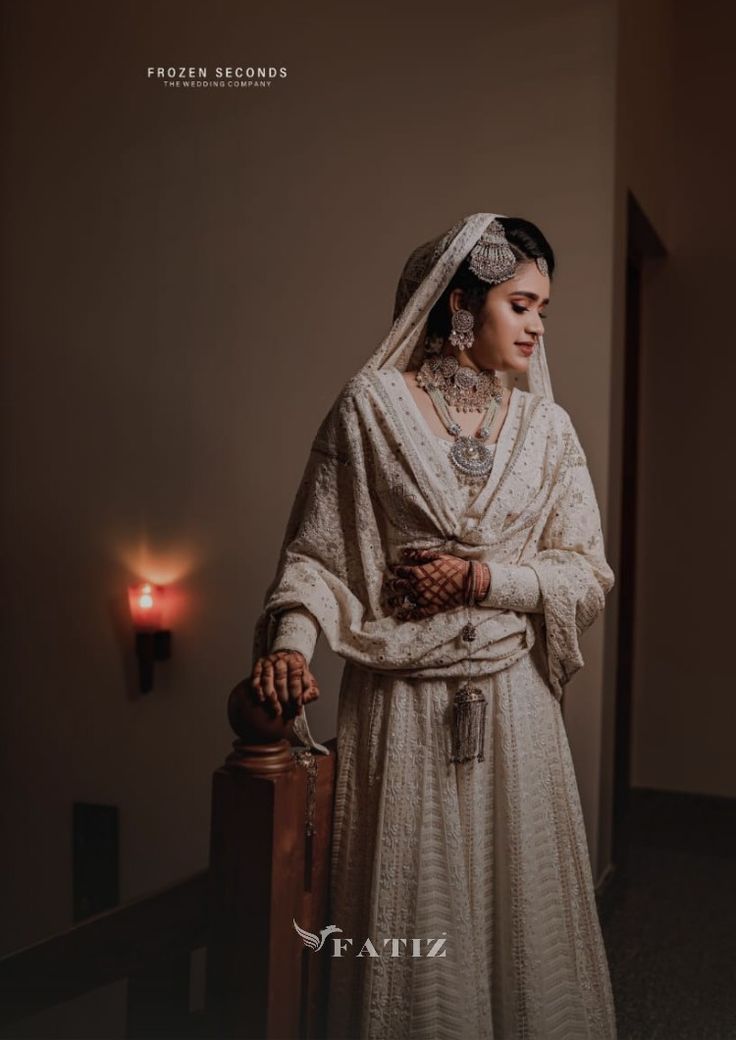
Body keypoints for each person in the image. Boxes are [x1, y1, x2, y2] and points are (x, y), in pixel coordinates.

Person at [250, 213, 618, 1039]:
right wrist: (289, 646)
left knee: (518, 923)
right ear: (459, 302)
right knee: (417, 946)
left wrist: (483, 578)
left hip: (515, 712)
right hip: (401, 712)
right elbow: (318, 555)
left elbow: (585, 572)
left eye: (544, 311)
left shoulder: (548, 431)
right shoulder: (371, 408)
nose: (535, 327)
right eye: (520, 305)